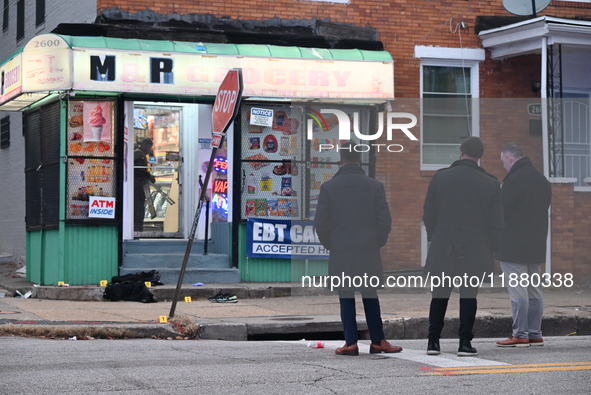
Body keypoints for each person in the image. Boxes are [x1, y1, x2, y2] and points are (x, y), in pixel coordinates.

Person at [314, 142, 402, 356]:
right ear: (360, 159)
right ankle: (378, 340)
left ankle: (351, 342)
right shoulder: (375, 186)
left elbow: (321, 223)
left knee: (345, 295)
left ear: (340, 160)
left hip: (341, 250)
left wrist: (331, 244)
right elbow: (385, 223)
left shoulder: (328, 187)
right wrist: (375, 243)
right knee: (370, 295)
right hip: (367, 250)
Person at [422, 136, 504, 356]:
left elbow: (429, 214)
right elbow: (496, 222)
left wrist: (435, 237)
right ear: (480, 157)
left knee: (439, 294)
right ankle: (464, 343)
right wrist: (492, 248)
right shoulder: (490, 182)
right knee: (469, 296)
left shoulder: (440, 177)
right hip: (475, 248)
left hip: (443, 245)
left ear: (461, 153)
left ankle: (433, 342)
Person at [496, 142, 552, 348]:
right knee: (535, 291)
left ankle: (520, 333)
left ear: (510, 158)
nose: (503, 166)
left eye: (503, 161)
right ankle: (535, 333)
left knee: (518, 292)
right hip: (536, 244)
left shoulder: (513, 181)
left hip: (513, 246)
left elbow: (502, 212)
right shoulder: (542, 180)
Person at [134, 138, 155, 232]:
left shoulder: (138, 153)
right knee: (139, 208)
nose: (149, 149)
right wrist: (148, 176)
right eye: (149, 146)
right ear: (145, 145)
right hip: (137, 186)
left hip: (137, 185)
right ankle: (137, 229)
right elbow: (139, 170)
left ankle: (137, 229)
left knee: (138, 207)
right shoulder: (139, 154)